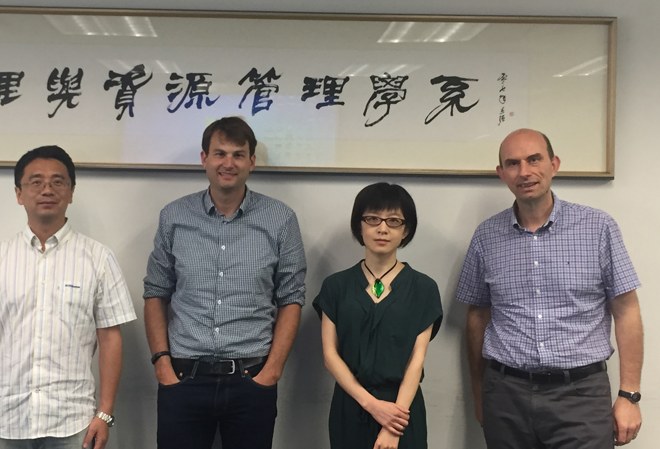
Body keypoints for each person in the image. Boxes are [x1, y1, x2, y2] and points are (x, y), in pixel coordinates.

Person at [456, 128, 644, 448]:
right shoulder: (486, 236)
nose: (524, 172)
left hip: (580, 395)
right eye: (513, 163)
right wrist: (479, 393)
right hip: (505, 394)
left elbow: (626, 310)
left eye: (534, 159)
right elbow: (477, 316)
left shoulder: (598, 227)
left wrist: (630, 394)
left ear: (554, 164)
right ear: (501, 173)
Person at [0, 146, 136, 449]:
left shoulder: (99, 259)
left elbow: (110, 338)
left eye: (57, 181)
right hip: (4, 423)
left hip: (73, 423)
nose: (47, 189)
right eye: (35, 182)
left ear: (71, 192)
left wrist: (105, 413)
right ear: (19, 193)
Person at [143, 116, 307, 449]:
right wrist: (161, 362)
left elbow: (291, 298)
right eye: (219, 154)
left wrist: (272, 370)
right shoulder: (175, 216)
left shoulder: (280, 219)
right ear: (204, 159)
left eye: (237, 154)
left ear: (252, 161)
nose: (228, 163)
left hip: (252, 378)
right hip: (183, 377)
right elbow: (156, 292)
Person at [314, 182, 442, 449]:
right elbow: (330, 356)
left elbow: (416, 362)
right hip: (350, 406)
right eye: (372, 219)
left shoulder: (424, 288)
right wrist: (372, 405)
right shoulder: (336, 286)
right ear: (359, 225)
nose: (382, 228)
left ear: (406, 230)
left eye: (394, 221)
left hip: (402, 411)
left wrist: (393, 425)